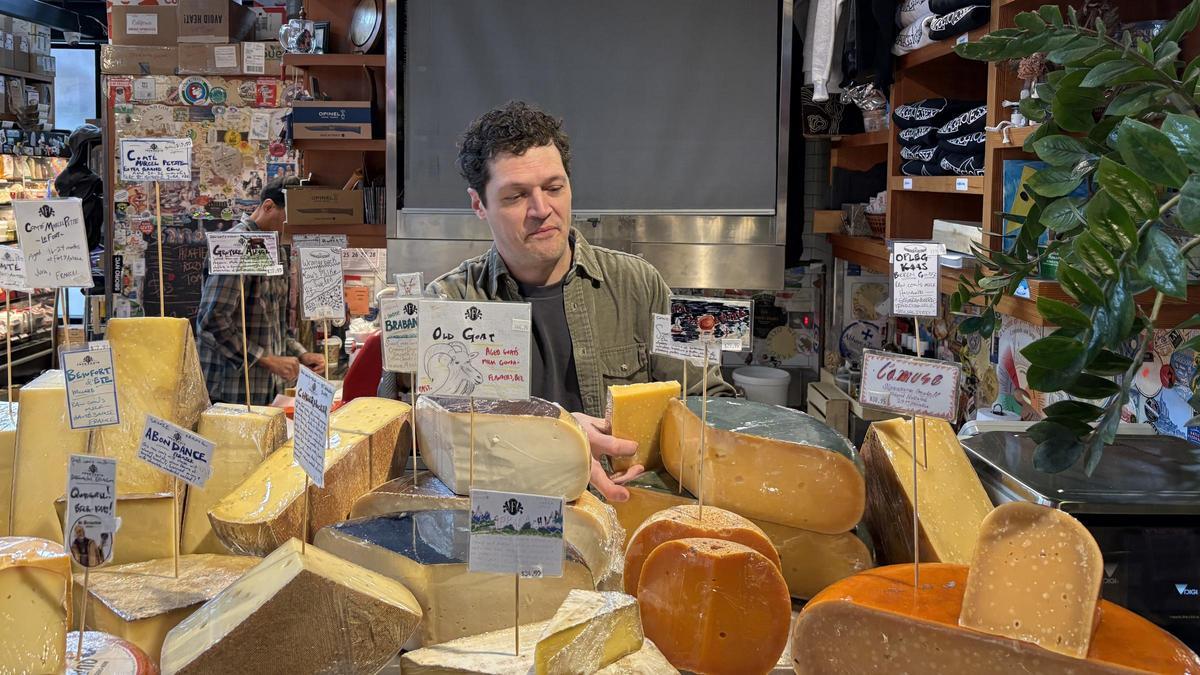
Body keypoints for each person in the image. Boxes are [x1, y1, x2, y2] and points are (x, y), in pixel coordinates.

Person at [421, 101, 734, 501]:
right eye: (516, 196)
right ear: (478, 204)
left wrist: (661, 452)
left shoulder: (645, 282)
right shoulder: (446, 303)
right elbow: (420, 436)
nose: (542, 210)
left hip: (628, 511)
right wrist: (555, 437)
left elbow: (713, 403)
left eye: (554, 188)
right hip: (502, 530)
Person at [195, 178, 325, 405]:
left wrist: (300, 353)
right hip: (231, 392)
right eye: (289, 220)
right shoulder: (235, 244)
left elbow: (275, 325)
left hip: (268, 392)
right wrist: (266, 359)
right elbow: (211, 321)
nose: (293, 228)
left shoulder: (277, 250)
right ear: (268, 206)